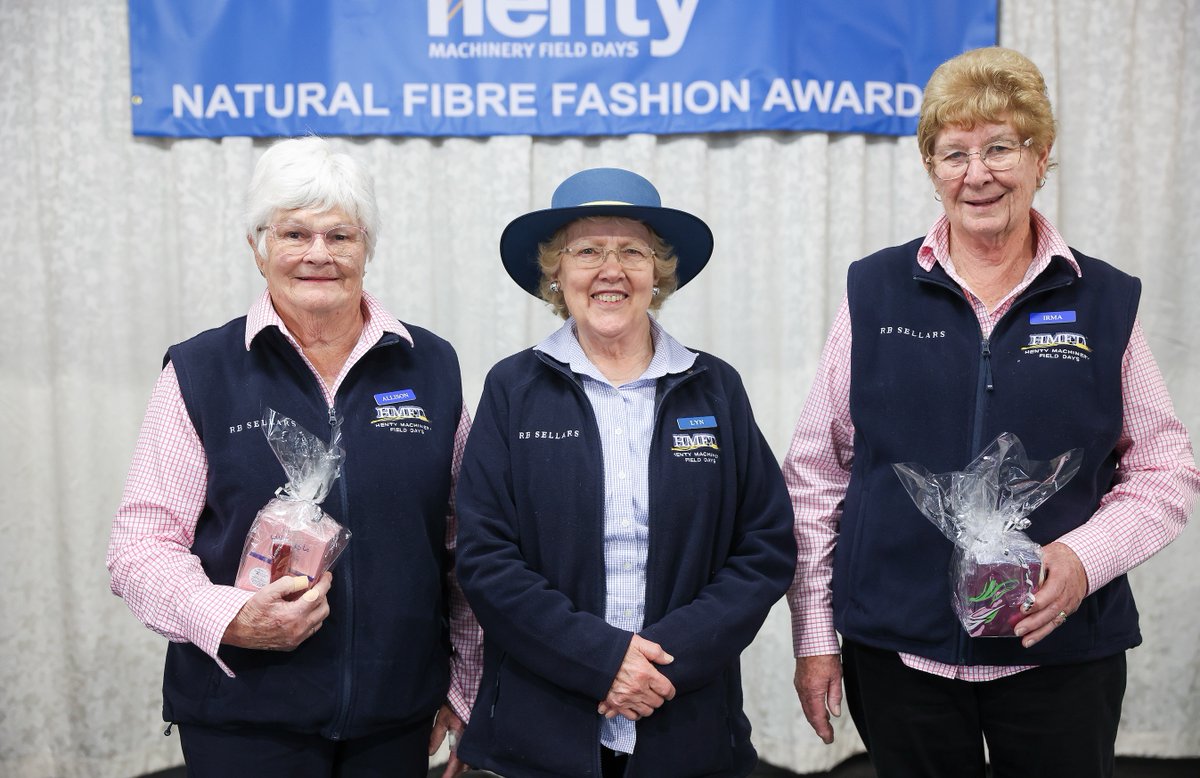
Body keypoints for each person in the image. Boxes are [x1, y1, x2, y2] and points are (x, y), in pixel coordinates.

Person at [785, 46, 1200, 778]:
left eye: (1000, 148)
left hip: (1061, 656)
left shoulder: (1102, 299)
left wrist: (1081, 559)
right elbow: (817, 474)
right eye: (954, 154)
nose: (977, 174)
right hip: (899, 656)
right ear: (932, 168)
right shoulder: (874, 292)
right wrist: (816, 636)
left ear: (1041, 158)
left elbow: (1166, 469)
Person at [106, 136, 481, 777]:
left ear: (367, 248)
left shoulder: (432, 366)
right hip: (244, 714)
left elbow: (464, 542)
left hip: (396, 720)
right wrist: (229, 616)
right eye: (294, 234)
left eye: (341, 236)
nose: (318, 255)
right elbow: (140, 546)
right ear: (258, 249)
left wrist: (465, 685)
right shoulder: (201, 370)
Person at [453, 167, 796, 777]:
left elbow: (764, 547)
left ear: (657, 272)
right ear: (556, 272)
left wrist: (660, 665)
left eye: (632, 251)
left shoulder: (714, 388)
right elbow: (485, 558)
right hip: (544, 725)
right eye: (586, 251)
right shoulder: (512, 389)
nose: (610, 270)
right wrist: (603, 662)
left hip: (683, 717)